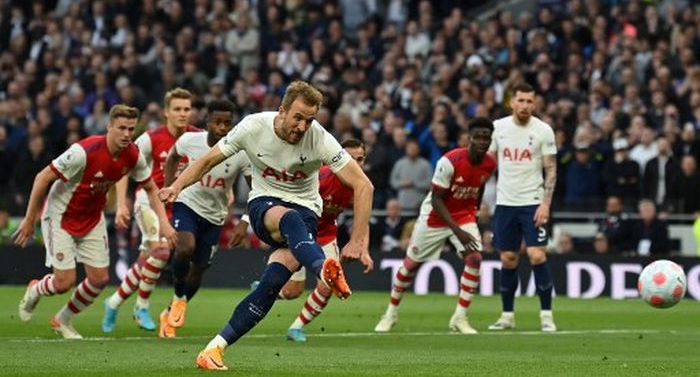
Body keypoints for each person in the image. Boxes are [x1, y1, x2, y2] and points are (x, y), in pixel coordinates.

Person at [158, 81, 374, 370]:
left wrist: (358, 240)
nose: (302, 126)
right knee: (288, 218)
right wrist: (176, 186)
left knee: (272, 284)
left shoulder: (320, 139)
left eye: (309, 120)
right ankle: (322, 267)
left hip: (307, 215)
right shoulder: (253, 127)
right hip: (266, 205)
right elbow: (207, 161)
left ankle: (214, 349)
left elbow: (364, 185)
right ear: (282, 110)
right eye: (298, 117)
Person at [13, 105, 176, 339]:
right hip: (60, 215)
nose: (127, 134)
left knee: (99, 279)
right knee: (63, 282)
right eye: (121, 128)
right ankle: (35, 289)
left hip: (92, 218)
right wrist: (30, 220)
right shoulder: (84, 151)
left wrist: (164, 222)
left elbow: (151, 188)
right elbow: (43, 177)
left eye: (131, 129)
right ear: (109, 127)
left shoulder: (132, 154)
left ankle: (62, 319)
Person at [374, 117, 496, 334]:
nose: (482, 141)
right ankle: (390, 313)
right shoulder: (449, 161)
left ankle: (460, 317)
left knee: (475, 258)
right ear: (469, 138)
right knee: (411, 265)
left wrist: (473, 215)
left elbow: (479, 188)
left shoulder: (490, 163)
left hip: (464, 216)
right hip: (434, 217)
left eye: (486, 138)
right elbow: (437, 199)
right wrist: (458, 231)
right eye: (477, 137)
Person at [102, 88, 199, 332]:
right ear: (166, 112)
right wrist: (122, 202)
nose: (183, 114)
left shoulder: (197, 137)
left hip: (179, 205)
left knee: (149, 259)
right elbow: (125, 164)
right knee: (162, 250)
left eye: (187, 109)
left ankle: (113, 303)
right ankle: (141, 306)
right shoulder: (151, 138)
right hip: (148, 200)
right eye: (177, 109)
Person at [158, 100, 251, 338]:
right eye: (217, 122)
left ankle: (170, 312)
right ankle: (178, 296)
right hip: (187, 204)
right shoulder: (190, 140)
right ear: (207, 122)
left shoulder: (240, 153)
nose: (222, 127)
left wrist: (244, 221)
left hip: (216, 215)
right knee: (185, 247)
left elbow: (256, 187)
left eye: (227, 123)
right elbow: (172, 157)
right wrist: (170, 186)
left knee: (199, 269)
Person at [278, 138, 374, 342]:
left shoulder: (361, 186)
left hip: (327, 235)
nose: (357, 165)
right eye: (351, 159)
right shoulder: (319, 177)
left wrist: (363, 250)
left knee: (328, 282)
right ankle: (270, 287)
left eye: (361, 159)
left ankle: (296, 328)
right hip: (301, 233)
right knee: (293, 291)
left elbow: (362, 220)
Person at [488, 82, 558, 332]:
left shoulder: (544, 130)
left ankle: (546, 315)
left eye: (530, 101)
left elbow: (550, 169)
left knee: (537, 254)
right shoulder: (498, 128)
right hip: (506, 202)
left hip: (533, 203)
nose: (525, 106)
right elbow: (488, 164)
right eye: (521, 100)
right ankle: (507, 315)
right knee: (508, 259)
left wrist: (546, 204)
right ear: (512, 102)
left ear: (535, 104)